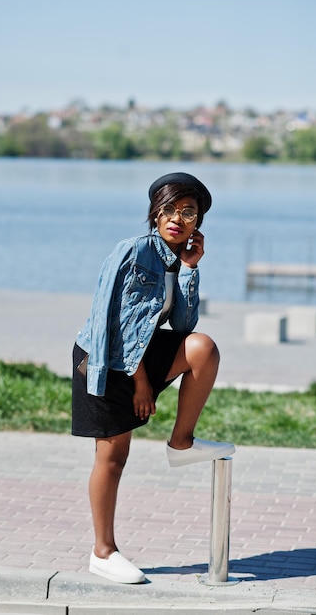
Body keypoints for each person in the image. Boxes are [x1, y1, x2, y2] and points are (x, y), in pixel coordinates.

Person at [72, 171, 235, 584]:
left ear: (198, 223)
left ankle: (182, 443)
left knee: (203, 347)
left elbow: (181, 325)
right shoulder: (132, 250)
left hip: (140, 351)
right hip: (104, 357)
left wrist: (189, 270)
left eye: (189, 212)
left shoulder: (173, 261)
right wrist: (141, 384)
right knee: (113, 456)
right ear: (155, 212)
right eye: (169, 209)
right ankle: (102, 551)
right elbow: (112, 322)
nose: (177, 219)